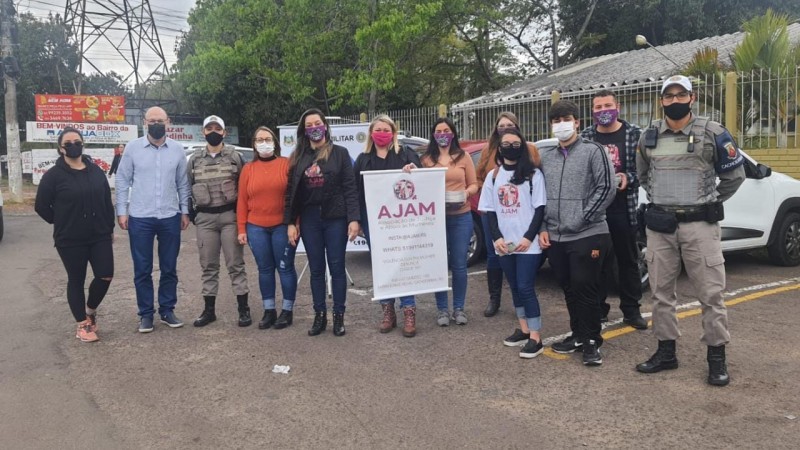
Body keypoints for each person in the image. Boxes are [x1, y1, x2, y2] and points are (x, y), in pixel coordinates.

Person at [635, 75, 745, 386]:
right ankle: (666, 352)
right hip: (661, 228)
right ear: (661, 101)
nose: (674, 100)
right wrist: (665, 200)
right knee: (660, 294)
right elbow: (643, 175)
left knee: (711, 295)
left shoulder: (713, 133)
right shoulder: (649, 135)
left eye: (680, 94)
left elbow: (734, 177)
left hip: (700, 226)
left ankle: (716, 358)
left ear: (691, 98)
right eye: (668, 96)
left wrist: (707, 202)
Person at [539, 100, 615, 366]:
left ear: (577, 122)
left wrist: (581, 217)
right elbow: (539, 196)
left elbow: (607, 187)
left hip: (588, 233)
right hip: (556, 236)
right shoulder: (546, 157)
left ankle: (592, 341)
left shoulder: (594, 151)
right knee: (569, 288)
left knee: (585, 288)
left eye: (566, 119)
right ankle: (578, 334)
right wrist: (543, 227)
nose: (561, 125)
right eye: (556, 120)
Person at [35, 127, 115, 342]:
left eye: (77, 142)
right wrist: (61, 220)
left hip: (99, 234)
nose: (73, 146)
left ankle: (90, 311)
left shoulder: (95, 170)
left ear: (83, 144)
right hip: (70, 238)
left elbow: (106, 201)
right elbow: (41, 206)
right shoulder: (53, 176)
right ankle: (82, 325)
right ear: (61, 148)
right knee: (76, 280)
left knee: (105, 275)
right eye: (68, 143)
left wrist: (109, 228)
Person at [284, 108, 360, 337]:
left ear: (325, 126)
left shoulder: (340, 153)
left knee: (337, 267)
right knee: (316, 269)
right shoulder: (298, 156)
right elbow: (291, 193)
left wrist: (354, 219)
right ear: (304, 130)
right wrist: (290, 222)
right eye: (309, 125)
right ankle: (319, 315)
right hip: (310, 220)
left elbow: (350, 188)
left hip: (336, 218)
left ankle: (338, 316)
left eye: (317, 123)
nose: (314, 128)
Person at [116, 107, 191, 333]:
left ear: (168, 122)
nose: (156, 124)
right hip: (140, 217)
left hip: (169, 216)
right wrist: (122, 211)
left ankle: (167, 310)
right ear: (144, 122)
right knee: (142, 269)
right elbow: (122, 180)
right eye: (152, 120)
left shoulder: (177, 150)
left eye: (160, 120)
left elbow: (182, 183)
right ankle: (146, 314)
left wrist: (185, 211)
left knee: (169, 267)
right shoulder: (132, 148)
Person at [580, 90, 648, 330]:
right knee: (596, 262)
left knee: (628, 261)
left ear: (617, 107)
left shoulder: (635, 134)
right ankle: (598, 309)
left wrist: (628, 178)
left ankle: (632, 310)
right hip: (596, 211)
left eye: (607, 105)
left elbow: (644, 170)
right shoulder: (586, 137)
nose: (603, 111)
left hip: (624, 209)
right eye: (598, 107)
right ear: (592, 111)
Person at [478, 128, 547, 358]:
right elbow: (489, 211)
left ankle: (536, 337)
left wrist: (528, 237)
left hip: (528, 244)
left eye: (516, 144)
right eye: (506, 144)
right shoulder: (493, 176)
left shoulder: (534, 175)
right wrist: (496, 238)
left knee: (525, 286)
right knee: (515, 287)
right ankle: (524, 329)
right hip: (504, 245)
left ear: (523, 147)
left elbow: (539, 209)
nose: (511, 148)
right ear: (499, 148)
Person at [353, 115, 421, 337]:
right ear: (371, 133)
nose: (382, 133)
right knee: (382, 265)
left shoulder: (406, 154)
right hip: (374, 221)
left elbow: (422, 179)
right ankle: (388, 311)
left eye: (386, 129)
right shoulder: (362, 159)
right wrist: (356, 220)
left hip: (402, 221)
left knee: (403, 264)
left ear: (393, 133)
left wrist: (414, 170)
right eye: (378, 129)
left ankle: (409, 310)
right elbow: (354, 192)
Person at [475, 112, 541, 318]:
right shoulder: (488, 150)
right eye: (501, 125)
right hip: (495, 213)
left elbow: (536, 177)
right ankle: (494, 298)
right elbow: (478, 177)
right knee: (494, 255)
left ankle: (526, 310)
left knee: (522, 277)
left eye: (510, 125)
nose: (505, 128)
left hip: (521, 217)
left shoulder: (530, 149)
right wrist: (490, 190)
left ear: (517, 127)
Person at [188, 115, 250, 328]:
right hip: (205, 218)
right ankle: (209, 311)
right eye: (209, 128)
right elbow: (187, 186)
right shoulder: (194, 159)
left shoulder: (234, 157)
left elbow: (244, 187)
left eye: (217, 128)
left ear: (224, 132)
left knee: (236, 264)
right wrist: (189, 212)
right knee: (208, 266)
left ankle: (243, 309)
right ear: (203, 132)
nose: (213, 132)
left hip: (230, 217)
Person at [420, 117, 478, 326]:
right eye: (438, 131)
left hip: (461, 216)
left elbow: (474, 184)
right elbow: (419, 186)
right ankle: (442, 310)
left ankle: (459, 308)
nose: (442, 134)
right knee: (439, 264)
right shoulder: (426, 159)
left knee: (459, 264)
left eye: (446, 130)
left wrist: (465, 194)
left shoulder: (463, 157)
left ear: (452, 133)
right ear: (433, 134)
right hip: (435, 219)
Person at [237, 126, 297, 330]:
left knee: (285, 267)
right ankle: (269, 310)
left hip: (282, 226)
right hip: (256, 227)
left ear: (275, 142)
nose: (264, 143)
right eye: (259, 139)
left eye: (268, 139)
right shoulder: (248, 169)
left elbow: (295, 197)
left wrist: (295, 223)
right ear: (254, 144)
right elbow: (242, 201)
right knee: (264, 269)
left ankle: (287, 311)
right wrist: (241, 229)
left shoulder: (286, 164)